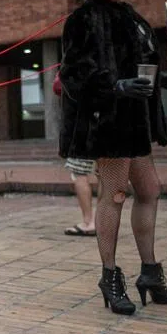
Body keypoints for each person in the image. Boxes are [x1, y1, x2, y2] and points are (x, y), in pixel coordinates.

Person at [58, 0, 167, 315]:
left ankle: (149, 272)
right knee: (114, 195)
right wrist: (115, 87)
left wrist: (161, 80)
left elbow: (142, 65)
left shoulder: (134, 18)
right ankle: (110, 276)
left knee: (149, 190)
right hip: (108, 122)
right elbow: (73, 74)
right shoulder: (82, 19)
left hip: (135, 122)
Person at [54, 72, 96, 236]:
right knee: (106, 175)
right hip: (103, 125)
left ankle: (88, 222)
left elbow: (58, 87)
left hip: (82, 129)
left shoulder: (79, 63)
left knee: (79, 174)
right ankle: (104, 221)